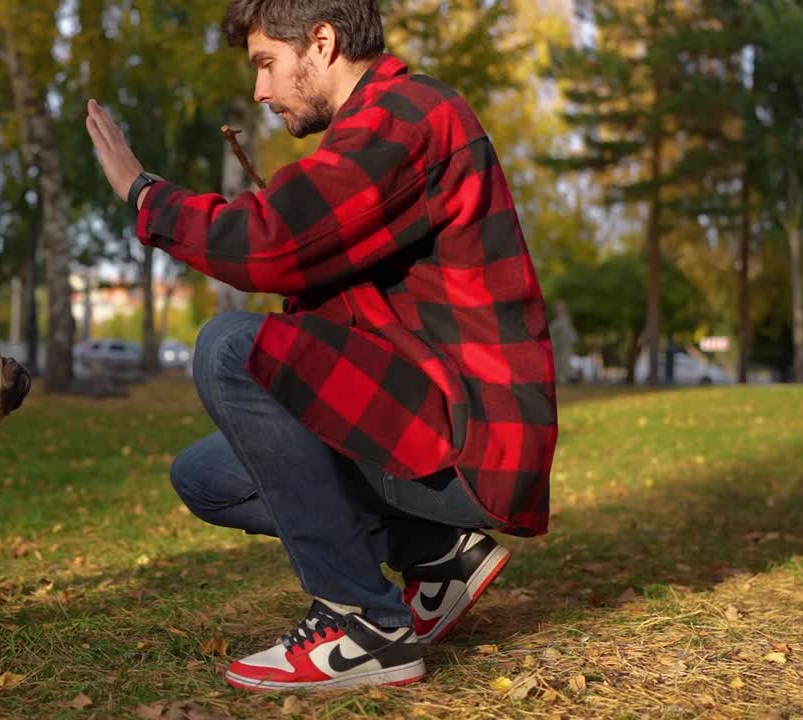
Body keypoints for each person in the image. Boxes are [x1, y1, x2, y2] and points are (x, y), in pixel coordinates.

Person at [85, 0, 557, 692]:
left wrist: (142, 192)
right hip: (433, 417)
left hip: (474, 442)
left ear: (323, 43)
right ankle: (437, 558)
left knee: (230, 350)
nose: (260, 90)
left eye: (266, 64)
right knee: (207, 477)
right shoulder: (371, 131)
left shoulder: (408, 114)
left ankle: (362, 624)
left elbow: (276, 240)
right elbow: (350, 306)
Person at [549, 300, 579, 383]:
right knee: (560, 362)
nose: (557, 309)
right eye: (557, 307)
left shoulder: (564, 319)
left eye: (559, 307)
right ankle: (570, 376)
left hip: (563, 345)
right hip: (559, 346)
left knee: (563, 361)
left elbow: (566, 332)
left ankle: (569, 377)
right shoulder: (561, 319)